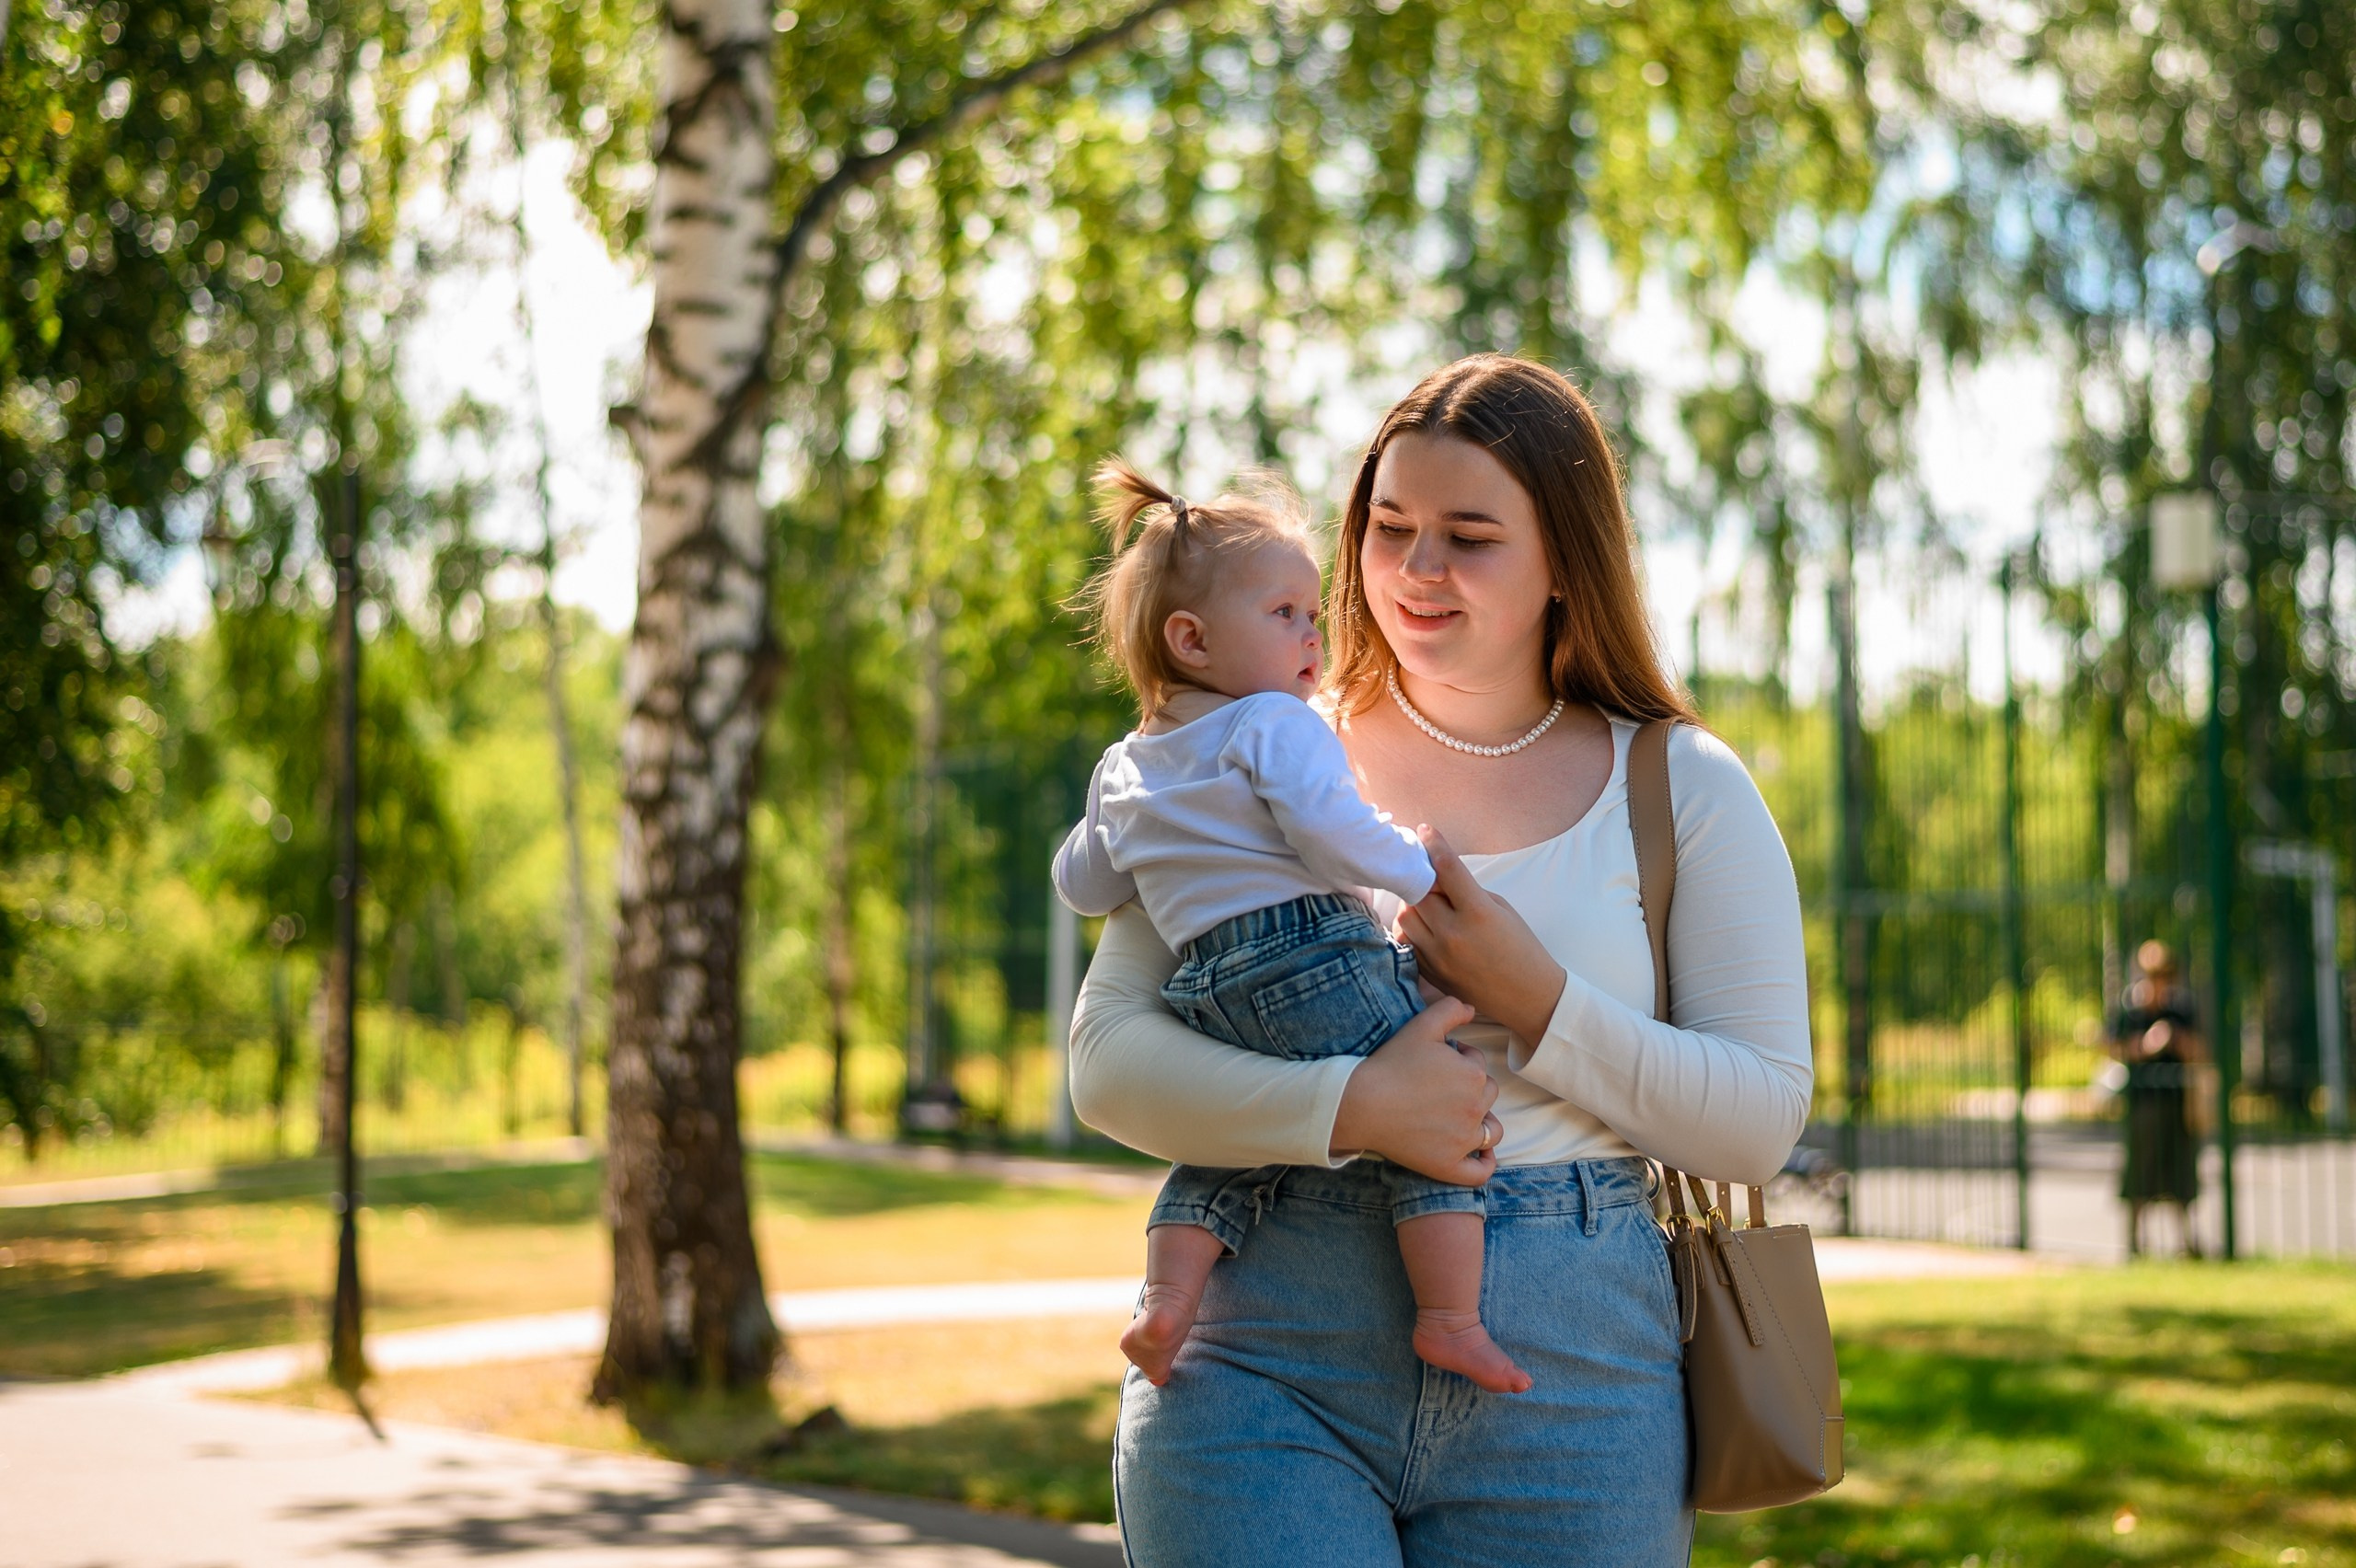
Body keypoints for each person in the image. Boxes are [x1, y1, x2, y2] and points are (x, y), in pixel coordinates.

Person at [1068, 354, 1813, 1566]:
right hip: (1263, 1349)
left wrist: (1536, 1000)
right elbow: (1108, 1064)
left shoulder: (1681, 786)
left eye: (1468, 537)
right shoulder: (1253, 750)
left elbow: (1758, 1124)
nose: (1415, 570)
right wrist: (1357, 1104)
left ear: (1565, 561)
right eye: (1390, 525)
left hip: (1572, 1369)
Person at [1053, 457, 1528, 1394]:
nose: (1312, 636)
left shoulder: (1125, 764)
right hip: (1308, 952)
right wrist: (1416, 865)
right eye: (1283, 616)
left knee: (1237, 1145)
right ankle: (1450, 1318)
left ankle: (1164, 1304)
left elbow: (1085, 883)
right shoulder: (1274, 722)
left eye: (1312, 615)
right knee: (1439, 1106)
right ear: (1189, 638)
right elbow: (1330, 829)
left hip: (1204, 987)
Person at [2107, 940, 2207, 1259]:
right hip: (2141, 1104)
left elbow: (2200, 1052)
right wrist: (2147, 1046)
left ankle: (2186, 1241)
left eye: (2164, 974)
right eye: (2152, 974)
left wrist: (2176, 1041)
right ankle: (2136, 1241)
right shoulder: (2128, 1010)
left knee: (2180, 1173)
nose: (2158, 981)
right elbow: (2112, 1047)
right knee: (2140, 1172)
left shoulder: (2181, 1010)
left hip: (2176, 1104)